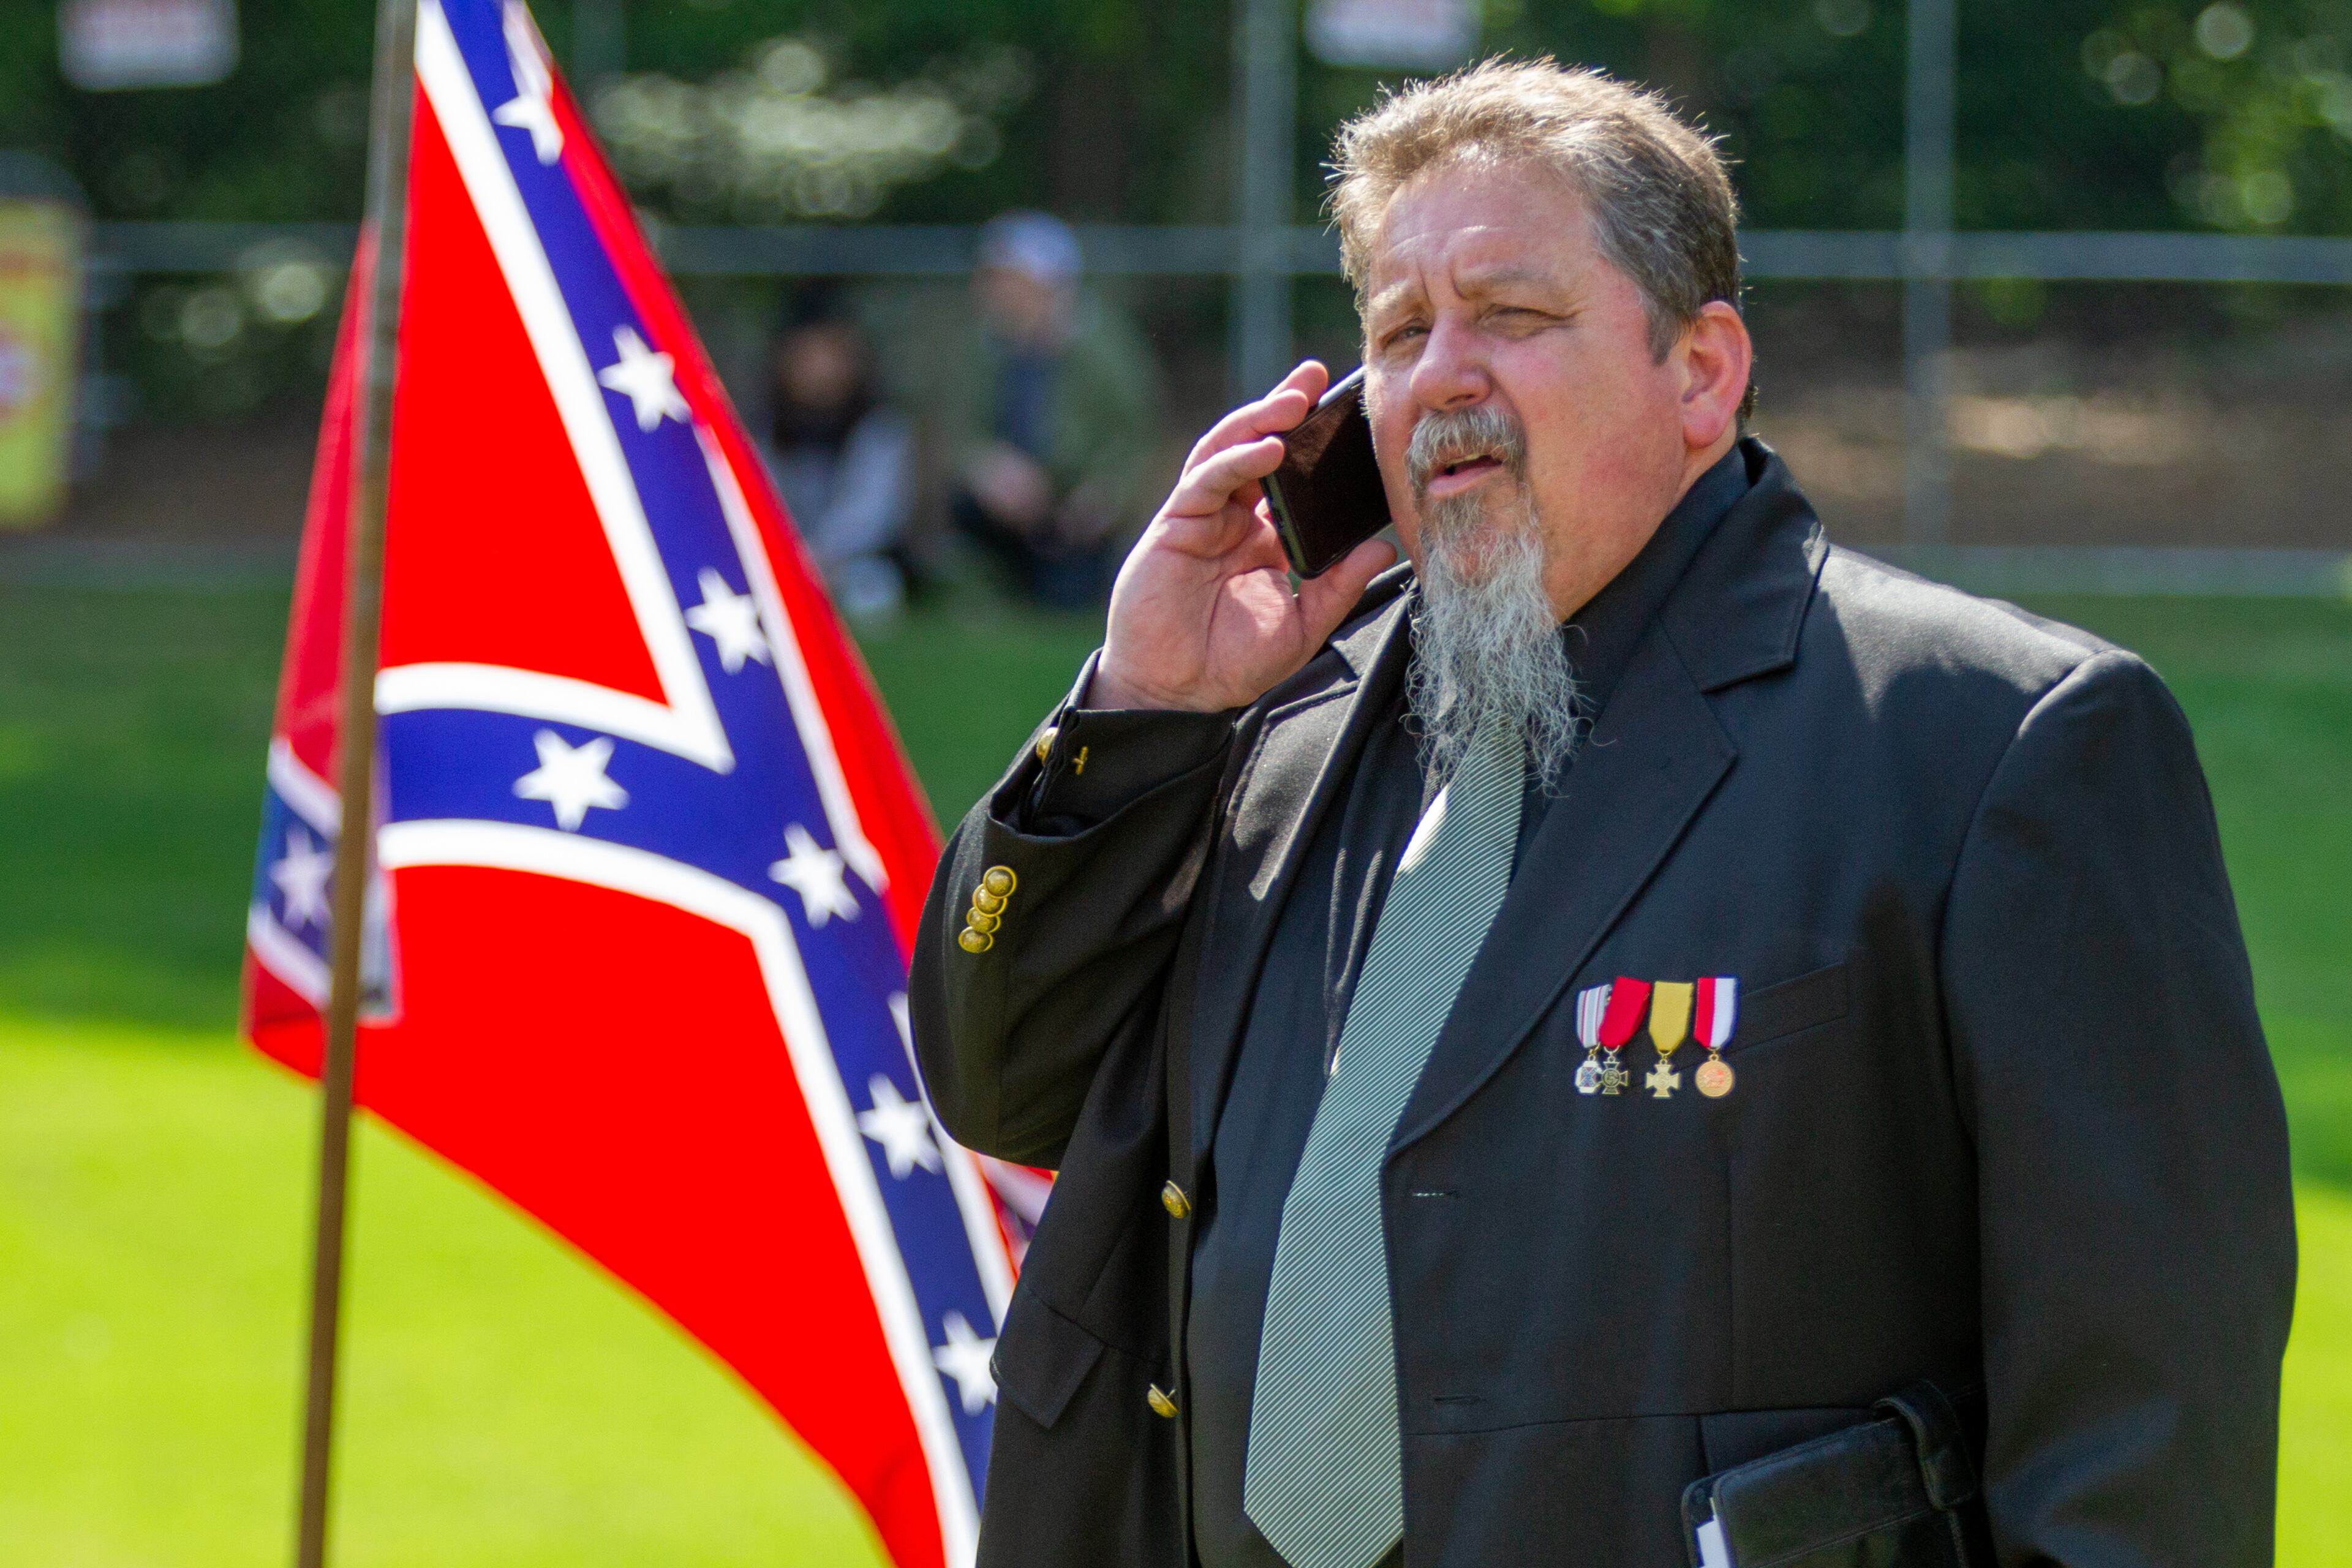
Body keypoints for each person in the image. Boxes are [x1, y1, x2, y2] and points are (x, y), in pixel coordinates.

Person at [909, 59, 2295, 1568]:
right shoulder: (1265, 725)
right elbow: (1000, 1081)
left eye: (1509, 315)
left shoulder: (1991, 744)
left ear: (1699, 373)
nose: (1438, 374)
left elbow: (2137, 1432)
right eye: (1395, 330)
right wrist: (1139, 707)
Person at [933, 211, 1164, 609]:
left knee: (1066, 590)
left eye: (1012, 280)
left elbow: (1135, 439)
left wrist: (1102, 497)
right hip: (1006, 506)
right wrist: (987, 468)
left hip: (1075, 507)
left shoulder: (1106, 350)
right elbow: (956, 433)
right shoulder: (978, 351)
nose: (999, 292)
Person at [761, 287, 918, 620]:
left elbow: (873, 514)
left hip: (852, 567)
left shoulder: (879, 426)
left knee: (875, 593)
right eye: (807, 355)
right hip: (779, 561)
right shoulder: (762, 424)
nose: (820, 369)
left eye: (830, 354)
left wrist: (821, 556)